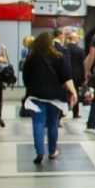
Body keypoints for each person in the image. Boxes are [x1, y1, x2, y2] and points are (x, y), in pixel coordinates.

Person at [20, 32, 75, 166]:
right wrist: (73, 92)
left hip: (36, 96)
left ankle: (39, 152)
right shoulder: (58, 57)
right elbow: (66, 77)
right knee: (52, 124)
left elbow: (25, 78)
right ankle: (52, 151)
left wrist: (32, 87)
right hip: (55, 96)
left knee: (38, 123)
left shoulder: (31, 58)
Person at [63, 29, 88, 120]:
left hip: (66, 73)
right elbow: (83, 64)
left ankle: (63, 111)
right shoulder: (80, 50)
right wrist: (85, 75)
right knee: (75, 92)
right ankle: (75, 112)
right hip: (77, 75)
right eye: (77, 38)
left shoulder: (64, 48)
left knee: (65, 92)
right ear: (75, 39)